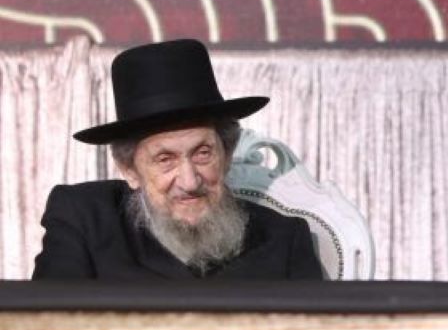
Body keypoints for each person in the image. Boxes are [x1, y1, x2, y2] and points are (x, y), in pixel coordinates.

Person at [32, 39, 322, 280]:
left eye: (203, 153)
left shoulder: (284, 239)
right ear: (129, 170)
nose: (190, 181)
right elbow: (44, 325)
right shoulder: (83, 219)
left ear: (227, 155)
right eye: (165, 159)